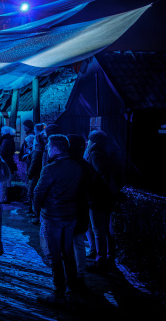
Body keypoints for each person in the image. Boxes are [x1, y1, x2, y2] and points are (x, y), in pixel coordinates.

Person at [34, 134, 82, 307]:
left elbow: (39, 192)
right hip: (70, 216)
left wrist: (36, 210)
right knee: (68, 254)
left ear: (54, 149)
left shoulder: (50, 169)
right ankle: (71, 290)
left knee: (54, 255)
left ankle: (58, 293)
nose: (47, 150)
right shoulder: (76, 166)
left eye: (48, 147)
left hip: (53, 216)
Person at [84, 130, 116, 273]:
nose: (87, 142)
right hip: (102, 197)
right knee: (102, 229)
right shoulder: (104, 152)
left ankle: (101, 260)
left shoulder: (95, 153)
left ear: (93, 141)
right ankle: (107, 257)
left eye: (89, 140)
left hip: (97, 197)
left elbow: (103, 173)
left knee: (99, 230)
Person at [67, 134, 95, 291]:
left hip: (69, 209)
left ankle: (71, 278)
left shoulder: (68, 165)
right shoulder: (86, 165)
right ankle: (80, 275)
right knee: (78, 242)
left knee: (67, 243)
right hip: (82, 207)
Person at [27, 123, 46, 223]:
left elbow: (34, 165)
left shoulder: (38, 152)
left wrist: (29, 174)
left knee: (34, 195)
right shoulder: (40, 152)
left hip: (35, 176)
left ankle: (37, 215)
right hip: (38, 175)